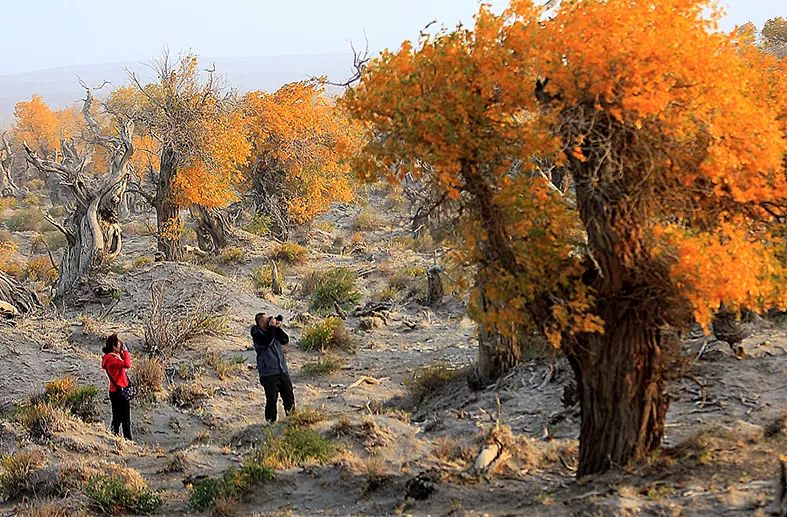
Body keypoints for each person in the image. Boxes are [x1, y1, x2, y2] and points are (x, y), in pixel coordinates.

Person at [251, 312, 295, 423]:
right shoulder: (257, 335)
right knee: (272, 400)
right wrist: (271, 328)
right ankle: (270, 424)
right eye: (267, 320)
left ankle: (293, 420)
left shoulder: (272, 331)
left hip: (282, 370)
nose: (269, 321)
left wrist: (276, 327)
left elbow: (285, 340)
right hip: (268, 373)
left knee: (289, 397)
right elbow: (267, 342)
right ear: (261, 323)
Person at [101, 334, 133, 440]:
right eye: (119, 345)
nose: (121, 347)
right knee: (125, 419)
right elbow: (127, 364)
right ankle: (128, 440)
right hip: (120, 392)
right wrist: (126, 352)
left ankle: (113, 436)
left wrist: (122, 353)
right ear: (114, 347)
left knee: (117, 417)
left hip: (114, 391)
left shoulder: (107, 358)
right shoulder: (113, 360)